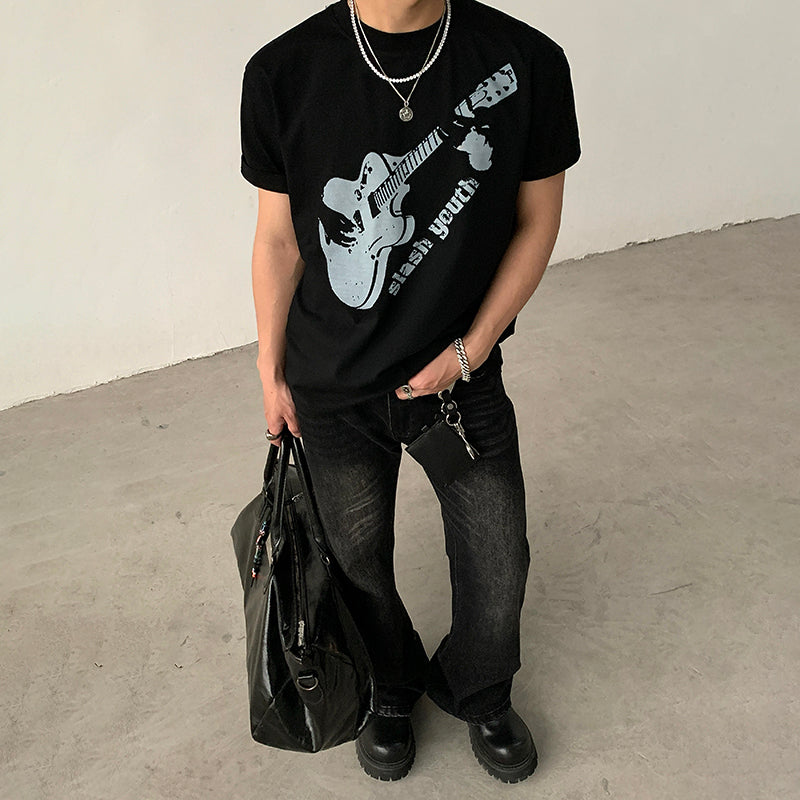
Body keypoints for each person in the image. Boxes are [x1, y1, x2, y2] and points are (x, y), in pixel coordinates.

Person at [239, 0, 580, 783]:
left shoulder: (525, 60)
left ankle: (479, 689)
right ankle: (389, 686)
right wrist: (268, 367)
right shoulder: (282, 72)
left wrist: (472, 348)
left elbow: (538, 219)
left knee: (498, 560)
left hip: (458, 378)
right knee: (355, 560)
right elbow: (280, 239)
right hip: (331, 383)